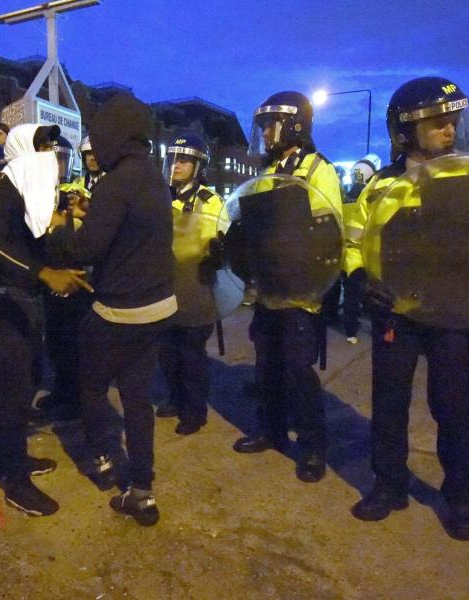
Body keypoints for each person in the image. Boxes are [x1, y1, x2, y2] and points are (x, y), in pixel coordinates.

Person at [345, 77, 469, 541]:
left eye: (453, 121)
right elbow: (354, 240)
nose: (450, 130)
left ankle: (461, 497)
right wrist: (361, 278)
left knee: (455, 407)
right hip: (396, 313)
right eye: (438, 122)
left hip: (452, 314)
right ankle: (389, 485)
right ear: (406, 131)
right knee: (388, 405)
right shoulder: (380, 186)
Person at [47, 94, 176, 526]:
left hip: (119, 311)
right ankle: (142, 489)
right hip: (158, 307)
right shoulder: (153, 177)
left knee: (92, 385)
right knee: (137, 399)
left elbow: (87, 249)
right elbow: (130, 230)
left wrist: (62, 229)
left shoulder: (115, 182)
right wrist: (94, 212)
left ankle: (101, 458)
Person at [229, 91, 343, 486]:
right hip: (269, 288)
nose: (264, 133)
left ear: (294, 124)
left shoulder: (318, 169)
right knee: (267, 365)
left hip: (301, 291)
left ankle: (312, 447)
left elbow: (329, 231)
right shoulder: (266, 172)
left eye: (270, 125)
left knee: (299, 370)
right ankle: (270, 430)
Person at [0, 122, 90, 516]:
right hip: (1, 306)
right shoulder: (2, 187)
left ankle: (15, 459)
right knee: (12, 392)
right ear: (23, 147)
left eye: (52, 146)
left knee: (25, 388)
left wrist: (66, 221)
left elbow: (33, 238)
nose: (50, 153)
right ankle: (15, 482)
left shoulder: (27, 190)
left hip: (24, 302)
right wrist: (44, 274)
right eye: (43, 145)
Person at [155, 132, 223, 435]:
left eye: (184, 160)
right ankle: (175, 398)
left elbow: (211, 241)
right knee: (167, 352)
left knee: (191, 354)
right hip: (166, 287)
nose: (177, 165)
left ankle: (195, 410)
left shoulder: (209, 200)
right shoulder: (162, 197)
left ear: (198, 167)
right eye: (174, 159)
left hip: (196, 287)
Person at [37, 135, 92, 423]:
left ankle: (76, 399)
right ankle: (62, 390)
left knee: (73, 344)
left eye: (59, 158)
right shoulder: (36, 192)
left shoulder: (77, 193)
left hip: (74, 276)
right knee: (55, 342)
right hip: (48, 278)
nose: (55, 164)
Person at [340, 157, 378, 344]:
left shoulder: (346, 195)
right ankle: (352, 330)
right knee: (357, 295)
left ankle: (346, 326)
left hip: (343, 252)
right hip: (360, 255)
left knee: (346, 293)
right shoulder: (368, 196)